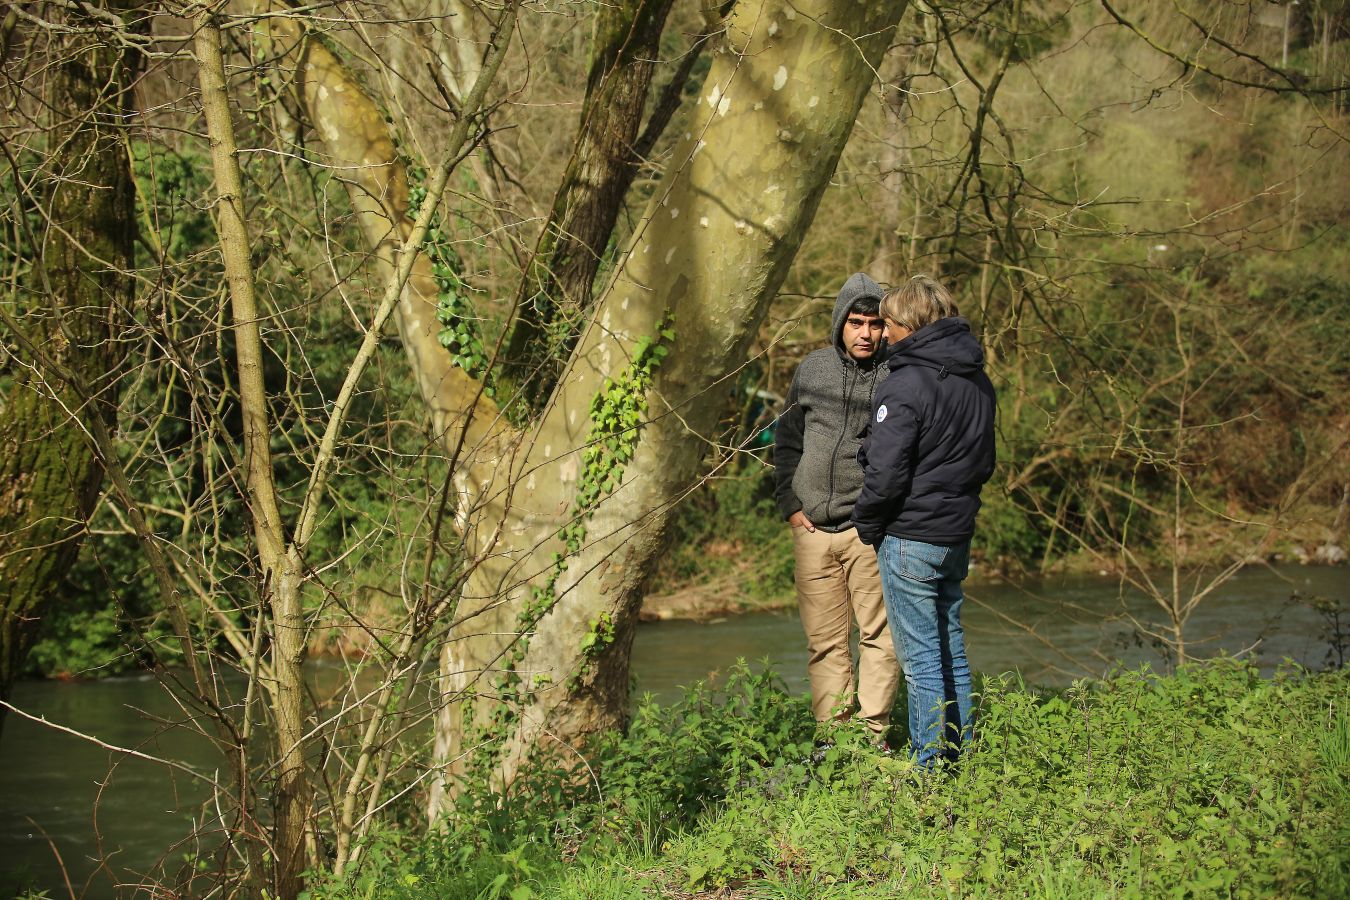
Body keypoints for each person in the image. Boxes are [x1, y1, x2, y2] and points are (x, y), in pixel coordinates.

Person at [851, 275, 996, 767]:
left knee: (920, 661)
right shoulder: (977, 380)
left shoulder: (905, 383)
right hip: (956, 533)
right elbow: (984, 462)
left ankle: (930, 771)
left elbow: (887, 474)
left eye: (887, 323)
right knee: (951, 649)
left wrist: (868, 526)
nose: (883, 334)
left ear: (907, 325)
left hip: (911, 536)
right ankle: (961, 760)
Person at [774, 273, 900, 742]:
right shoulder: (812, 370)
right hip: (812, 532)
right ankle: (835, 743)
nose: (865, 333)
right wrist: (789, 503)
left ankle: (871, 738)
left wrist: (880, 513)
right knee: (825, 645)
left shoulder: (897, 373)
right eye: (855, 322)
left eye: (873, 323)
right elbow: (786, 443)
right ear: (840, 323)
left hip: (869, 531)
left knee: (878, 639)